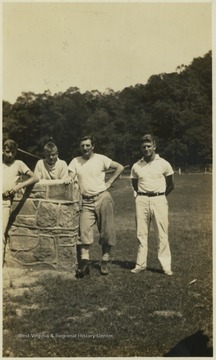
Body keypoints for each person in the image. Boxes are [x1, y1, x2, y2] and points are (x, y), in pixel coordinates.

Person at [67, 135, 124, 277]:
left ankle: (104, 261)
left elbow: (120, 167)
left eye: (87, 145)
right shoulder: (75, 161)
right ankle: (85, 264)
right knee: (84, 232)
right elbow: (70, 178)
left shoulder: (101, 159)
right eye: (82, 146)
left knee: (107, 231)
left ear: (93, 146)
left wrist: (109, 182)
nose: (85, 148)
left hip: (102, 198)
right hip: (85, 201)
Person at [130, 134, 174, 275]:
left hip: (159, 199)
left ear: (154, 146)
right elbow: (135, 185)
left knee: (162, 233)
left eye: (149, 146)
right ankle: (140, 264)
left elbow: (171, 185)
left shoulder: (164, 163)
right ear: (141, 149)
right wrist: (145, 196)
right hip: (141, 200)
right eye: (144, 147)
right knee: (141, 234)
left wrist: (158, 196)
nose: (146, 149)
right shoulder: (137, 166)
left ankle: (166, 266)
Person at [2, 139, 39, 244]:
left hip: (5, 203)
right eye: (7, 152)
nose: (10, 155)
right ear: (3, 150)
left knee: (0, 234)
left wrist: (19, 186)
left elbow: (35, 177)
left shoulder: (18, 164)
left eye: (13, 152)